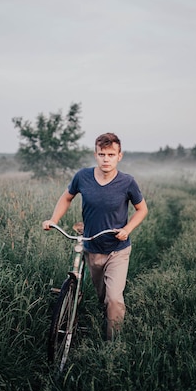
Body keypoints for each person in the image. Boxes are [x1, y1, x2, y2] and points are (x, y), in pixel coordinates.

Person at [42, 132, 148, 340]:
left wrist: (127, 229)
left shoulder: (127, 182)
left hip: (117, 249)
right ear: (95, 155)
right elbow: (66, 198)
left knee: (114, 299)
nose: (106, 159)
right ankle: (101, 314)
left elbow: (142, 209)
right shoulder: (82, 177)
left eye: (110, 154)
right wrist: (53, 220)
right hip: (91, 247)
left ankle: (112, 345)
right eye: (102, 154)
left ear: (119, 156)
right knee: (103, 297)